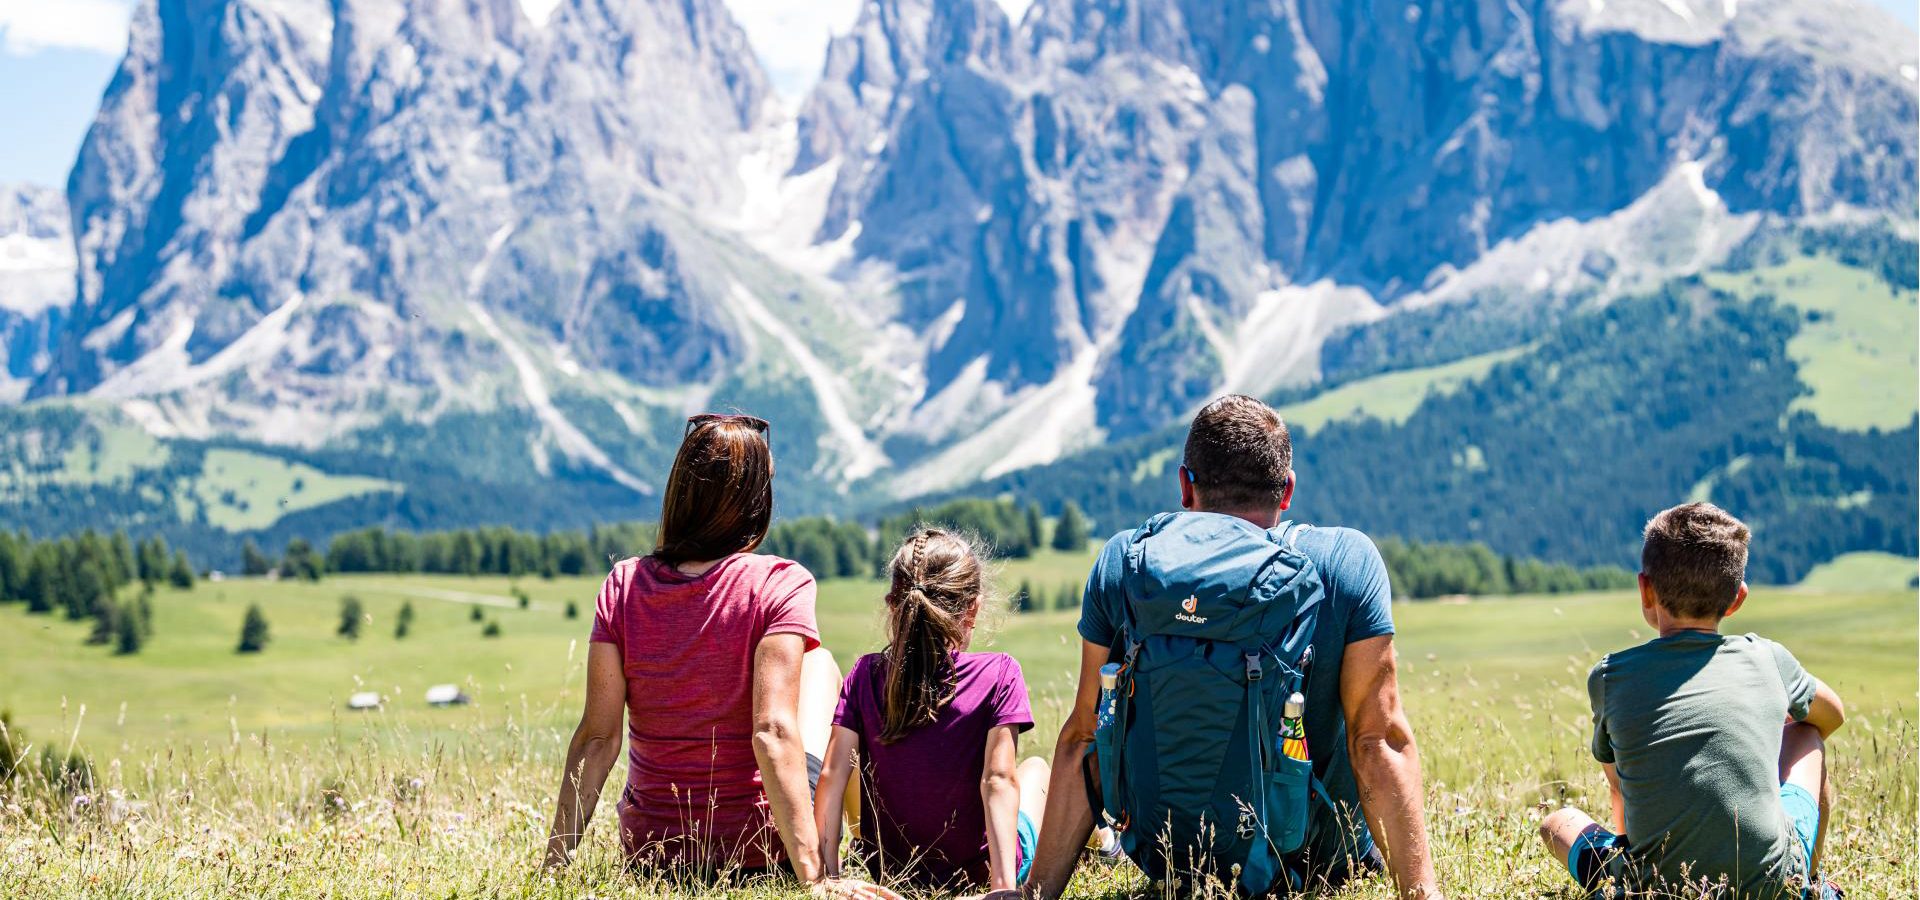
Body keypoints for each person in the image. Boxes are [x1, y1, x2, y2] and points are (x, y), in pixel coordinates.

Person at [1023, 394, 1444, 900]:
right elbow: (1376, 742)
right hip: (1316, 864)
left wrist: (1034, 894)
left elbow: (1084, 738)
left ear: (1185, 485)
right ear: (1286, 491)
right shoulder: (1344, 562)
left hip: (1172, 859)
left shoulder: (1127, 562)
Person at [542, 413, 896, 899]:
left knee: (814, 663)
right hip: (761, 851)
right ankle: (865, 850)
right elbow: (772, 732)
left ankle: (855, 851)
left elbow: (597, 737)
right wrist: (814, 879)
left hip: (654, 856)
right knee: (822, 664)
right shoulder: (780, 582)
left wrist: (551, 869)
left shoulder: (623, 585)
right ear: (756, 501)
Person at [1539, 502, 1846, 899]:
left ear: (1645, 590)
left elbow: (1621, 794)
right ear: (1737, 599)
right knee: (1807, 735)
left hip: (1650, 887)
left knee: (1558, 823)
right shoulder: (1767, 658)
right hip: (1768, 887)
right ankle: (1805, 884)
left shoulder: (1609, 676)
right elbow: (1832, 714)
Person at [812, 528, 1049, 894]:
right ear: (973, 608)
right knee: (1036, 771)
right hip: (980, 875)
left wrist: (828, 878)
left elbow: (831, 773)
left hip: (891, 874)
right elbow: (998, 780)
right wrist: (1001, 888)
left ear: (894, 603)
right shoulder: (1000, 673)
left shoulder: (864, 675)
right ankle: (1103, 838)